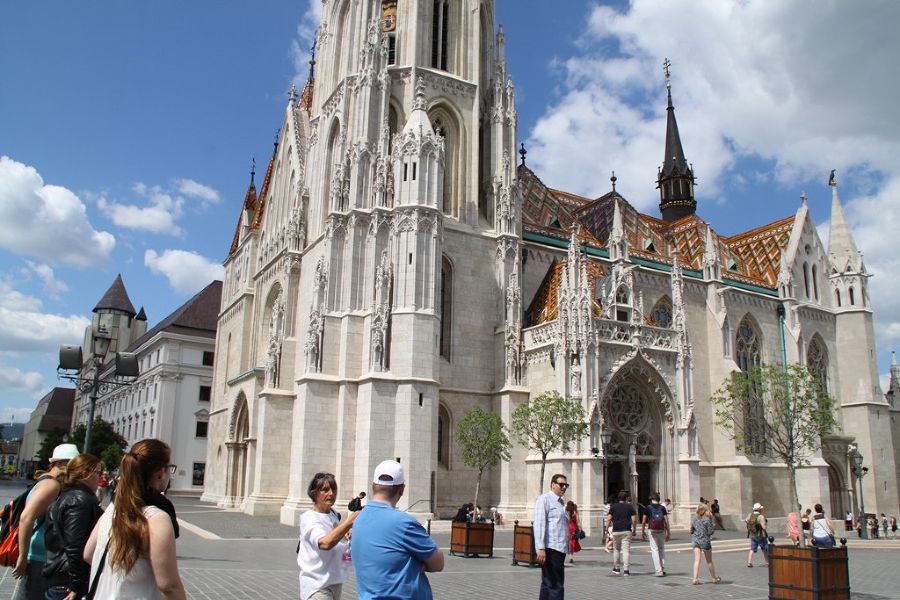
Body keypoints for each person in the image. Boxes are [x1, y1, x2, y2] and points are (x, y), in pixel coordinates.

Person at [83, 439, 186, 599]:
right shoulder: (156, 518)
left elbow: (89, 554)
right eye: (170, 468)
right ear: (161, 472)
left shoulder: (114, 508)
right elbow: (169, 586)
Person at [351, 460, 443, 599]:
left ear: (373, 486)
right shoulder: (404, 523)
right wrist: (418, 564)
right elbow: (438, 563)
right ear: (402, 489)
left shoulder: (358, 519)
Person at [12, 443, 79, 600]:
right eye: (74, 464)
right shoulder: (51, 485)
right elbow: (26, 518)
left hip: (39, 554)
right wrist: (22, 557)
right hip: (39, 555)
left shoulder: (44, 480)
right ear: (61, 463)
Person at [42, 453, 104, 600]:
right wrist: (77, 586)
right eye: (98, 472)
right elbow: (75, 545)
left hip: (61, 576)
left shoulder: (67, 495)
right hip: (68, 581)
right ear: (85, 474)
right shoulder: (79, 500)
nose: (100, 477)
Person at [297, 472, 358, 600]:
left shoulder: (332, 513)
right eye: (325, 490)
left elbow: (336, 534)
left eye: (333, 489)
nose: (331, 493)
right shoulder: (309, 518)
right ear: (314, 493)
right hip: (317, 586)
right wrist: (350, 521)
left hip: (334, 581)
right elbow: (324, 543)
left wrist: (346, 532)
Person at [532, 474, 569, 599]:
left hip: (560, 548)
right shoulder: (545, 499)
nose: (564, 487)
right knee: (556, 585)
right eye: (561, 484)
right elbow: (539, 524)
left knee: (549, 583)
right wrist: (540, 548)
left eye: (566, 485)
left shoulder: (561, 503)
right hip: (551, 548)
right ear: (553, 485)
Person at [607, 490, 636, 576]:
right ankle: (626, 570)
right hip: (627, 530)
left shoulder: (613, 507)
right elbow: (634, 520)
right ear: (626, 498)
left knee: (616, 549)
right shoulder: (630, 507)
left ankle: (617, 568)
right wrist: (633, 529)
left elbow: (609, 518)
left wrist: (606, 528)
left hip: (616, 530)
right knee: (626, 550)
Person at [641, 492, 670, 577]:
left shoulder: (648, 507)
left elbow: (643, 521)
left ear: (651, 499)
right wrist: (668, 533)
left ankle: (658, 571)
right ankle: (662, 568)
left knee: (654, 549)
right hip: (661, 530)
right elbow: (666, 521)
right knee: (661, 548)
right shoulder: (662, 508)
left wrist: (643, 531)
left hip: (652, 530)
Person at [691, 503, 720, 584]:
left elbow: (691, 530)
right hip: (705, 541)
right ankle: (714, 578)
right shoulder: (707, 519)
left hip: (695, 541)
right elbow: (711, 532)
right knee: (709, 561)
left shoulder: (694, 519)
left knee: (697, 560)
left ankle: (695, 579)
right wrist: (712, 519)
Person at [746, 502, 768, 568]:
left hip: (752, 534)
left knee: (752, 549)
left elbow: (746, 520)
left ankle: (749, 562)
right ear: (759, 509)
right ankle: (767, 562)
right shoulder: (761, 516)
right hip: (760, 535)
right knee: (765, 548)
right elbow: (764, 527)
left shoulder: (750, 515)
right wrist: (765, 525)